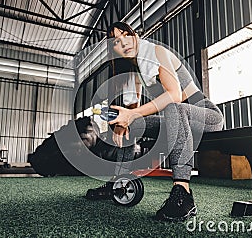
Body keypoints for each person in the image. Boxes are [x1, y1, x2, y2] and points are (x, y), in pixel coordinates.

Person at [85, 22, 224, 221]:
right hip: (173, 119)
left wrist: (132, 115)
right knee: (131, 125)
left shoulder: (157, 52)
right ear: (113, 49)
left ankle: (182, 193)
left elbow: (175, 95)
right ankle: (119, 183)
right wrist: (121, 122)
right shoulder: (134, 71)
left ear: (134, 35)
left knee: (173, 107)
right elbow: (131, 108)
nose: (123, 41)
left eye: (126, 34)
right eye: (116, 41)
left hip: (206, 116)